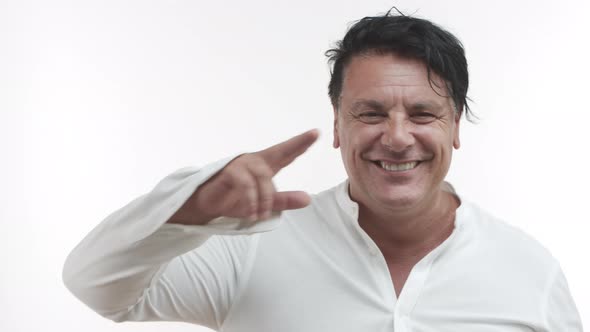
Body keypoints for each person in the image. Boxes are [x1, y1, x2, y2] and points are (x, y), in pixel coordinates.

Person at [63, 10, 583, 331]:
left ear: (455, 128)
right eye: (371, 113)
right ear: (338, 126)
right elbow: (94, 284)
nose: (398, 136)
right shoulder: (252, 248)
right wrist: (191, 207)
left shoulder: (528, 272)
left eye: (423, 114)